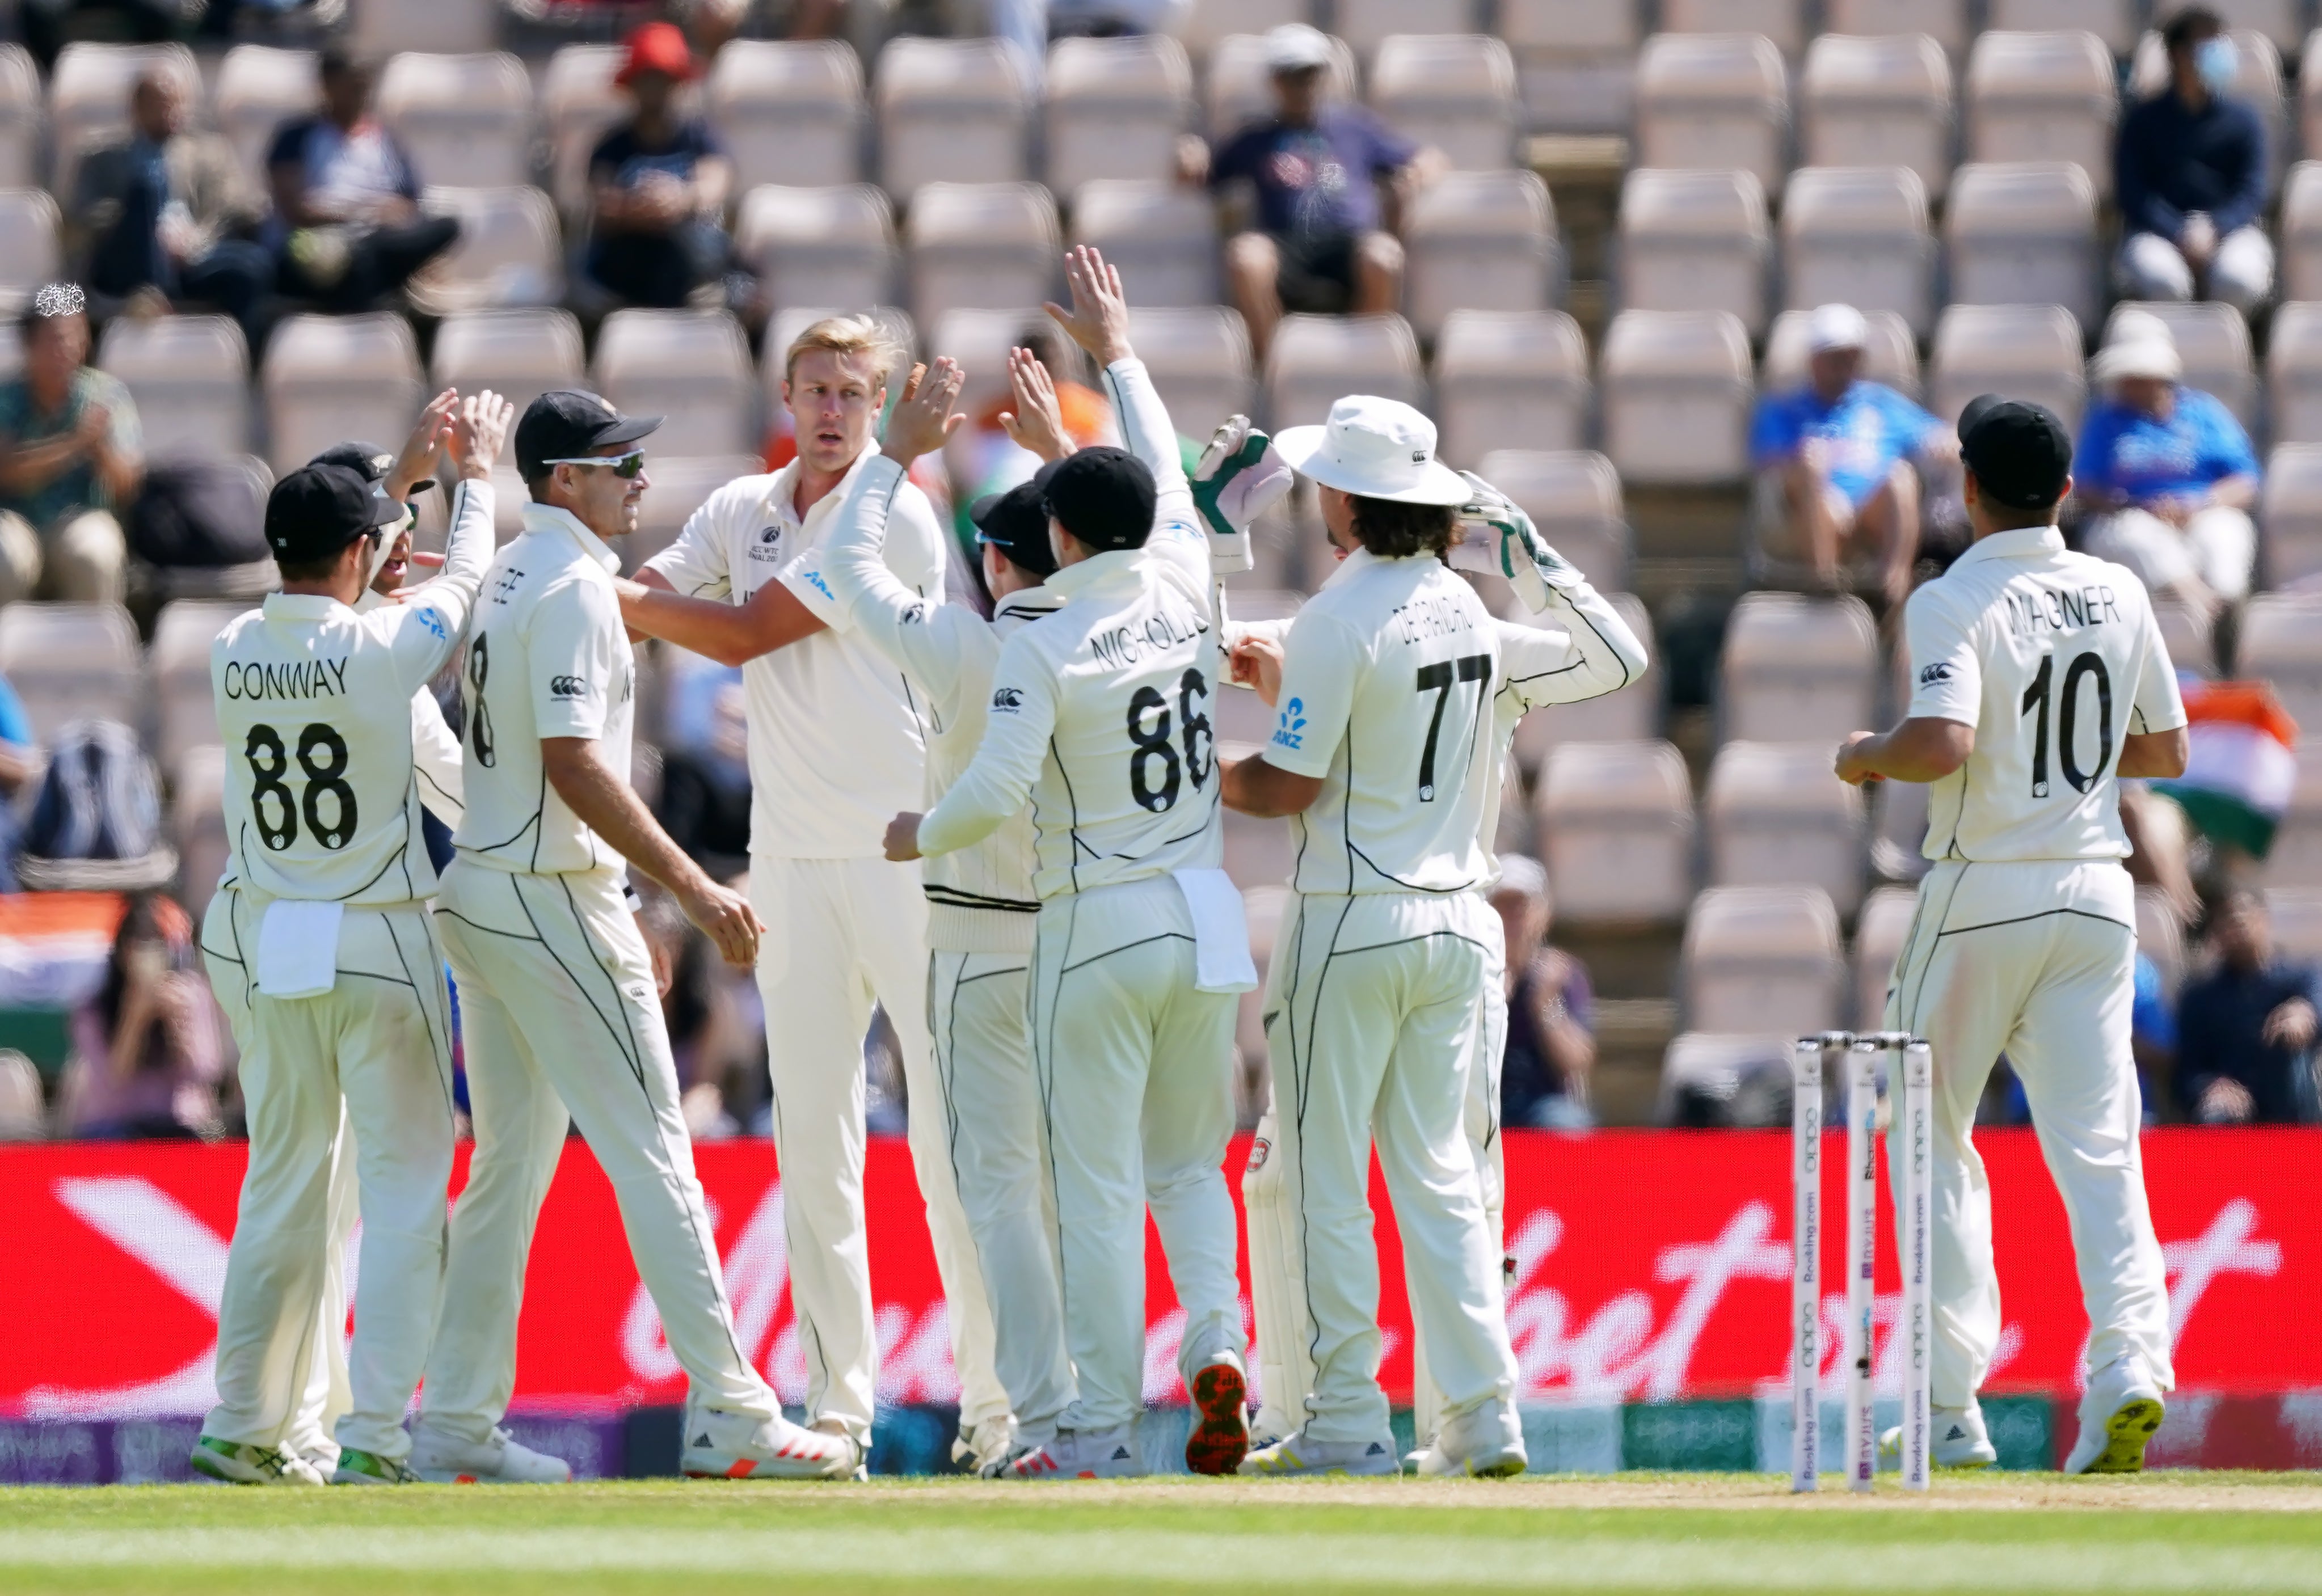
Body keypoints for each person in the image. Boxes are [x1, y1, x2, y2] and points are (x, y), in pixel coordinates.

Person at [416, 390, 852, 1483]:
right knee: (657, 1153)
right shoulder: (565, 584)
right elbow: (573, 761)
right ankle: (735, 1409)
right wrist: (693, 886)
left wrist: (638, 894)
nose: (639, 478)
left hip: (494, 887)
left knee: (511, 1166)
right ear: (565, 478)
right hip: (547, 896)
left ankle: (458, 1423)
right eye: (618, 462)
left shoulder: (522, 567)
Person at [883, 247, 1255, 1480]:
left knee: (1092, 1189)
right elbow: (1153, 471)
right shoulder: (1189, 576)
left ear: (1057, 532)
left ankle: (1094, 1428)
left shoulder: (1039, 627)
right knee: (1189, 1163)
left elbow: (991, 790)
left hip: (1096, 922)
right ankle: (1221, 1348)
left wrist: (917, 836)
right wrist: (1121, 349)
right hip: (1208, 914)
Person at [618, 316, 1008, 1472]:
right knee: (814, 1144)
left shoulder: (903, 514)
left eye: (852, 390)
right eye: (815, 387)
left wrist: (597, 590)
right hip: (787, 861)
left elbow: (746, 632)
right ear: (785, 393)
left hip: (906, 855)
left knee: (947, 1143)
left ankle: (994, 1407)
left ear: (881, 402)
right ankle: (840, 1411)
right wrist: (559, 577)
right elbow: (650, 588)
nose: (831, 408)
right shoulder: (744, 508)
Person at [1836, 394, 2190, 1476]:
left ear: (1968, 489)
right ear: (2067, 489)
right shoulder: (2117, 588)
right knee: (2100, 1145)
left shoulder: (1953, 597)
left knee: (1925, 1128)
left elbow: (1940, 743)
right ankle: (2129, 1363)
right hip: (2094, 893)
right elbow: (2164, 749)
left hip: (1982, 888)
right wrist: (2062, 767)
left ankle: (1947, 1403)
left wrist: (1862, 752)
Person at [1204, 394, 1525, 1480]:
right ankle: (1482, 1415)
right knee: (1437, 1171)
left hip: (1352, 917)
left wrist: (1195, 776)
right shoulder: (1465, 607)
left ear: (1345, 500)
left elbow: (1292, 782)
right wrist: (1287, 689)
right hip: (1451, 916)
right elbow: (1374, 730)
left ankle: (1345, 1414)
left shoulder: (1341, 614)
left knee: (1323, 1171)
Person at [189, 389, 504, 1488]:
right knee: (409, 1190)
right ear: (365, 553)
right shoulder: (380, 653)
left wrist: (402, 476)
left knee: (279, 1182)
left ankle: (241, 1421)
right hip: (376, 941)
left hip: (271, 942)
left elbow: (336, 534)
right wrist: (477, 481)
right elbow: (461, 589)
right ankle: (374, 1434)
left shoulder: (228, 649)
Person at [807, 348, 1076, 1475]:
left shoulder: (969, 646)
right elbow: (1161, 553)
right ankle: (1088, 1412)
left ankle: (1036, 1417)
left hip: (971, 935)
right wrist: (1073, 454)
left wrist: (894, 454)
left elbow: (849, 569)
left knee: (997, 1188)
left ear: (991, 562)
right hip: (1079, 939)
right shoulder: (1117, 636)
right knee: (1083, 1185)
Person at [1178, 22, 1444, 362]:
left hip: (1347, 243)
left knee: (1383, 255)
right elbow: (1206, 175)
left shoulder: (1355, 126)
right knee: (1247, 257)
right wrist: (1189, 163)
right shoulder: (1255, 136)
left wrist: (1419, 172)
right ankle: (1278, 366)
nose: (1302, 85)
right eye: (1292, 75)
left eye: (1309, 74)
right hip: (1285, 244)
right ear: (1275, 80)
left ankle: (1366, 361)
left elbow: (1425, 158)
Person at [1748, 303, 1952, 609]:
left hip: (1871, 511)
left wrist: (1945, 444)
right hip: (1809, 514)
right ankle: (1823, 578)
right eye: (1833, 356)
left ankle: (1893, 590)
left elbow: (1938, 436)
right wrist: (1819, 481)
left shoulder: (1880, 403)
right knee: (1811, 461)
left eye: (1851, 355)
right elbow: (1771, 465)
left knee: (1901, 477)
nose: (1843, 365)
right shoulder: (1785, 410)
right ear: (1814, 360)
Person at [75, 70, 272, 345]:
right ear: (137, 109)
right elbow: (82, 214)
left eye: (177, 103)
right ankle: (154, 295)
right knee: (146, 189)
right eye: (160, 104)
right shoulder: (102, 158)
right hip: (130, 261)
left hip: (191, 258)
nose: (171, 112)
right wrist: (146, 226)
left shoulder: (209, 153)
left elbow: (235, 206)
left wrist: (197, 239)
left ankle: (244, 357)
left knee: (252, 265)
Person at [2072, 334, 2259, 622]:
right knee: (2139, 538)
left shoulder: (2204, 412)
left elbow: (2245, 481)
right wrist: (2133, 504)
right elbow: (2085, 487)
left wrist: (2200, 503)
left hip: (2203, 509)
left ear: (2158, 378)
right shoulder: (2106, 419)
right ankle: (2204, 608)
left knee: (2224, 535)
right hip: (2131, 514)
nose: (2123, 386)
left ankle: (2227, 615)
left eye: (2134, 378)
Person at [266, 48, 460, 314]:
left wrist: (391, 214)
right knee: (357, 258)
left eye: (365, 82)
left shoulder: (386, 140)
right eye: (352, 82)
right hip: (317, 249)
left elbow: (408, 204)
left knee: (447, 226)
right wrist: (364, 212)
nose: (361, 90)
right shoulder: (295, 137)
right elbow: (295, 209)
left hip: (379, 241)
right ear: (327, 84)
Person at [2115, 6, 2271, 314]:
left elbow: (2252, 191)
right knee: (2163, 282)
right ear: (2178, 55)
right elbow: (2134, 194)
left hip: (2231, 230)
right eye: (2207, 43)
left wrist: (2215, 227)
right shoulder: (2142, 121)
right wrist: (2177, 231)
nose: (2220, 52)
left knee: (2237, 280)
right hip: (2158, 232)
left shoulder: (2245, 121)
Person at [0, 284, 142, 605]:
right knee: (3, 558)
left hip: (83, 516)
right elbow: (6, 471)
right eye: (54, 338)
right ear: (28, 345)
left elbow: (127, 486)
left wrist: (100, 448)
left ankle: (94, 654)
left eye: (74, 336)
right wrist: (76, 442)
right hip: (15, 519)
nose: (65, 348)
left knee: (95, 555)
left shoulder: (107, 395)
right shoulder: (6, 398)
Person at [585, 23, 736, 311]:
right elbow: (602, 199)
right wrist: (636, 206)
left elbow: (714, 183)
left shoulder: (699, 138)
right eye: (646, 78)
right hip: (630, 255)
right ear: (632, 85)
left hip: (687, 253)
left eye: (662, 78)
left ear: (677, 82)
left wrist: (680, 198)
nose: (654, 88)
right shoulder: (612, 145)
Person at [58, 893, 222, 1140]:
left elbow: (205, 1072)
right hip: (116, 1126)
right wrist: (135, 1017)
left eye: (157, 944)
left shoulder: (191, 994)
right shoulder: (94, 1008)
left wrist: (176, 1023)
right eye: (139, 944)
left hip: (180, 1126)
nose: (148, 955)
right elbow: (112, 1083)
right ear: (123, 951)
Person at [2174, 887, 2321, 1125]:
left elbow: (2317, 1008)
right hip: (2233, 1101)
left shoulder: (2301, 978)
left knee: (2292, 1054)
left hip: (2286, 1094)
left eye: (2242, 918)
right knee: (2214, 1112)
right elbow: (2186, 1070)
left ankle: (2298, 1156)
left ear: (2263, 919)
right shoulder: (2199, 997)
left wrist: (2305, 1014)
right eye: (2225, 922)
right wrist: (2211, 1086)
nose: (2235, 929)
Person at [1490, 855, 1596, 1132]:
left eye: (1521, 906)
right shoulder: (1472, 974)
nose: (1512, 917)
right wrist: (1490, 1005)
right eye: (1503, 906)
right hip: (1482, 1099)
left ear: (1543, 914)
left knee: (1567, 1127)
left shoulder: (1562, 974)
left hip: (1544, 1101)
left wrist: (1546, 1003)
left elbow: (1577, 1061)